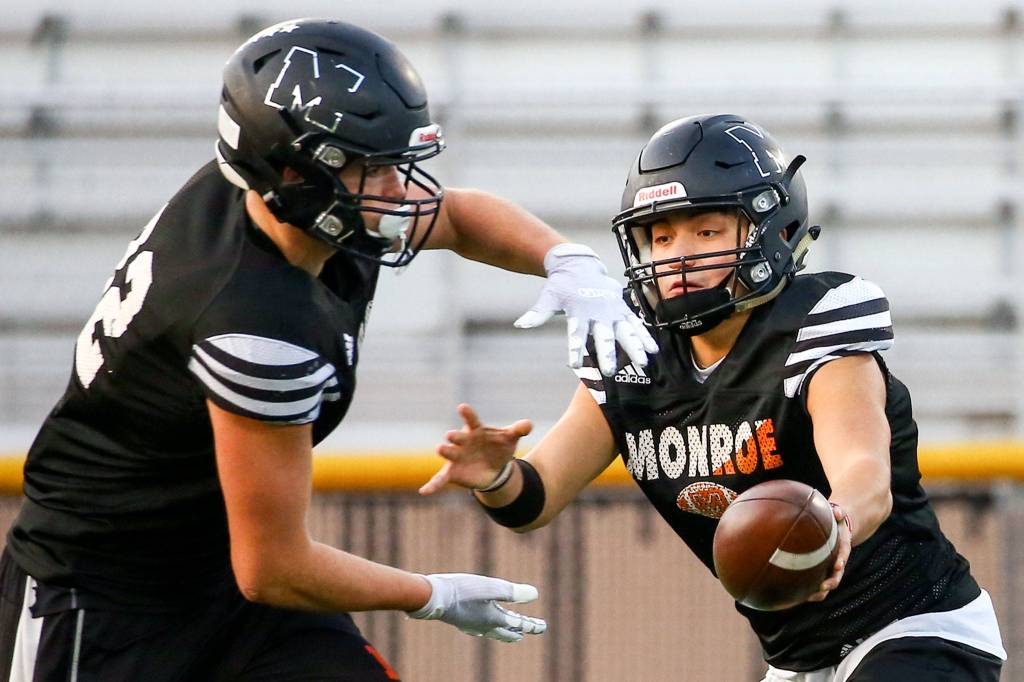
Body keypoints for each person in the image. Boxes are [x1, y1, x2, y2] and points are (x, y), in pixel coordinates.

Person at [0, 19, 659, 682]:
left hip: (226, 581)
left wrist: (565, 260)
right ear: (292, 173)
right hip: (106, 604)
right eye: (373, 168)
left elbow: (455, 215)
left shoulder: (283, 201)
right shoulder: (252, 318)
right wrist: (430, 594)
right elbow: (274, 568)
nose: (400, 191)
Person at [421, 114, 1008, 680]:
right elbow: (535, 498)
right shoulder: (634, 348)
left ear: (774, 231)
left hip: (912, 623)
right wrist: (496, 477)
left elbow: (864, 473)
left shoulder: (815, 322)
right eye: (661, 236)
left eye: (706, 231)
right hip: (796, 660)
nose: (678, 255)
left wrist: (833, 526)